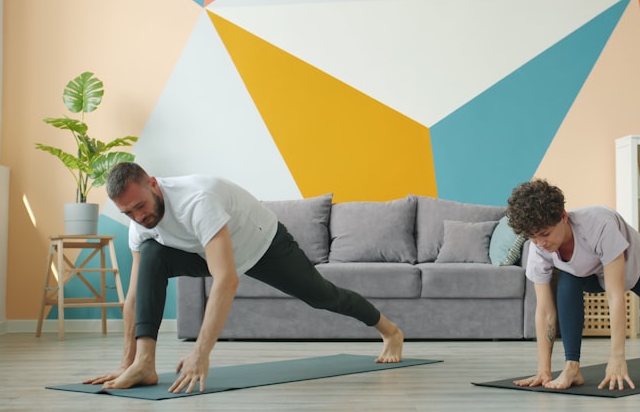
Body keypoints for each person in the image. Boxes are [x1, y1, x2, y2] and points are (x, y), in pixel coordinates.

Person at [83, 162, 404, 394]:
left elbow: (226, 280)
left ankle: (390, 330)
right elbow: (136, 296)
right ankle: (144, 364)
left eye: (140, 206)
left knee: (323, 295)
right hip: (203, 251)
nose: (139, 217)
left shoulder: (197, 200)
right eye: (128, 213)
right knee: (152, 254)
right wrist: (127, 362)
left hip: (263, 245)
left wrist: (200, 353)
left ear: (153, 184)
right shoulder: (140, 224)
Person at [506, 179, 640, 391]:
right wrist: (544, 370)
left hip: (637, 268)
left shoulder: (599, 225)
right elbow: (544, 311)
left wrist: (617, 358)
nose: (541, 243)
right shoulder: (539, 249)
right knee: (567, 278)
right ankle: (572, 367)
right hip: (588, 275)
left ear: (563, 217)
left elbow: (615, 296)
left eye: (545, 234)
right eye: (533, 238)